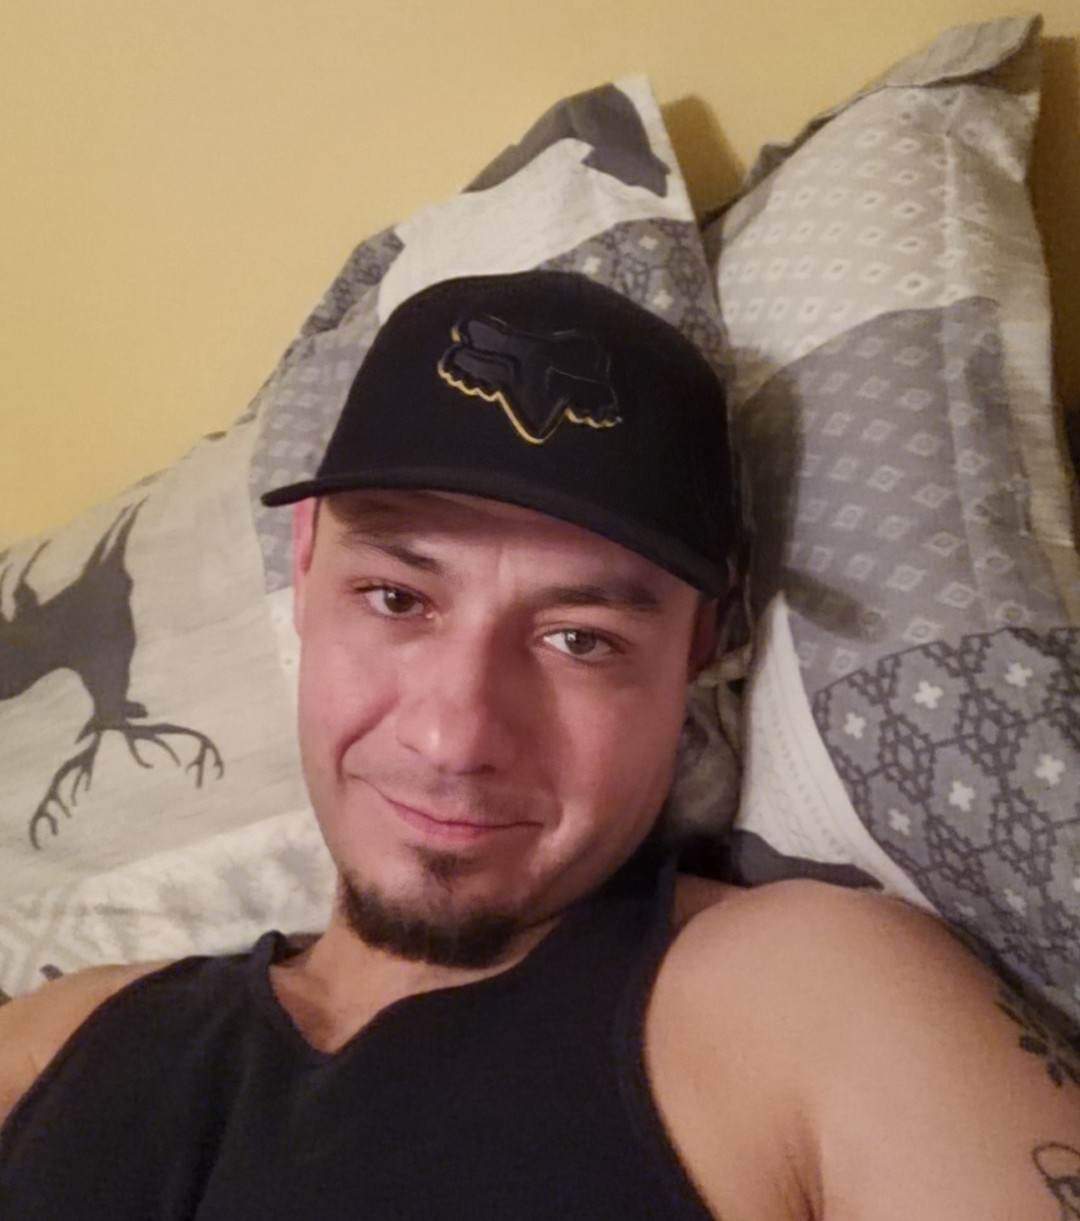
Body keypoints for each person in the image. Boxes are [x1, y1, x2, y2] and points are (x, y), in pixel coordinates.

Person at [1, 270, 1078, 1219]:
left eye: (580, 639)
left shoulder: (813, 1006)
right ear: (307, 563)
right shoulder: (69, 1032)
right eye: (397, 596)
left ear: (701, 647)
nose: (453, 736)